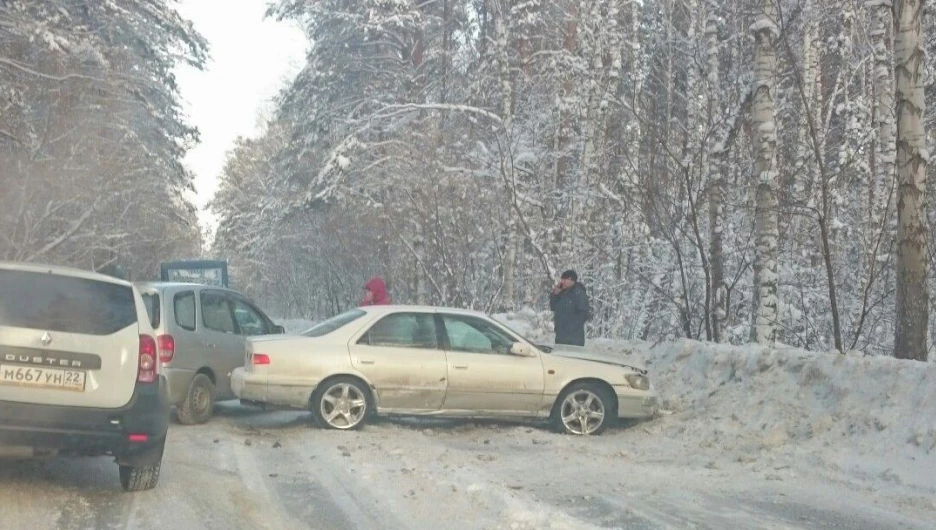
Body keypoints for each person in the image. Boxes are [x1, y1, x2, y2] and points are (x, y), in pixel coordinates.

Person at [549, 269, 589, 346]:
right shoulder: (562, 293)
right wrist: (555, 294)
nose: (562, 282)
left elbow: (584, 314)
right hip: (560, 336)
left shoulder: (579, 293)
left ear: (572, 280)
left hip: (574, 339)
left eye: (565, 279)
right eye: (562, 279)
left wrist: (570, 328)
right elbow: (553, 307)